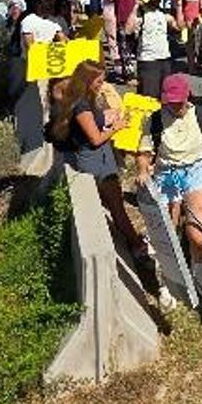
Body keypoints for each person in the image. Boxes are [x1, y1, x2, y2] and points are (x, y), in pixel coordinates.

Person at [47, 60, 149, 261]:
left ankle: (130, 240)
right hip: (97, 161)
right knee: (117, 207)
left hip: (93, 159)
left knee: (111, 203)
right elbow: (95, 139)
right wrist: (116, 128)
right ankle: (136, 245)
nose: (102, 85)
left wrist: (106, 116)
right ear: (87, 80)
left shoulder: (76, 97)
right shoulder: (82, 106)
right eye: (99, 81)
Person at [136, 74, 202, 285]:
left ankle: (198, 265)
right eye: (169, 102)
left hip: (196, 172)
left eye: (177, 101)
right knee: (166, 231)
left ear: (187, 96)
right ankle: (168, 276)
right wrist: (142, 170)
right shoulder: (154, 120)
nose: (173, 106)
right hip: (166, 174)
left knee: (198, 234)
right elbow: (144, 152)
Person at [127, 0, 181, 99]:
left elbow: (179, 26)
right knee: (149, 99)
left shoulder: (163, 14)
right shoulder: (140, 14)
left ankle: (161, 115)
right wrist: (134, 6)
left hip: (165, 58)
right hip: (148, 61)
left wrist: (179, 6)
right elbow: (128, 30)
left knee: (166, 96)